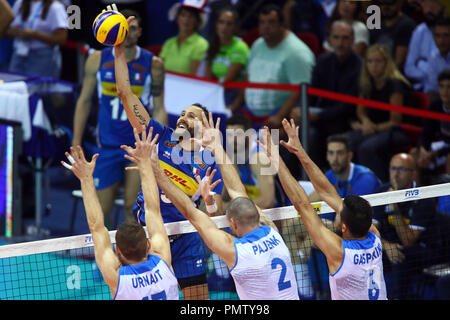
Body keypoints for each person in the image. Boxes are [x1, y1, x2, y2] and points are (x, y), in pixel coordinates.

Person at [114, 16, 224, 300]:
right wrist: (119, 50)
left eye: (194, 116)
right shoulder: (157, 135)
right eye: (184, 113)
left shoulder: (209, 162)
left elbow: (216, 214)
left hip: (187, 238)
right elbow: (126, 95)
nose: (185, 118)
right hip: (148, 236)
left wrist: (209, 199)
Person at [150, 112, 299, 300]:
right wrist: (217, 148)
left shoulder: (234, 250)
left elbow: (190, 211)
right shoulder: (272, 231)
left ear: (233, 224)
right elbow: (239, 193)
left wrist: (157, 172)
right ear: (256, 215)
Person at [259, 118, 387, 300]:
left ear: (343, 227)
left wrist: (276, 160)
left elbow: (303, 205)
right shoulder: (375, 237)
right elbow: (328, 192)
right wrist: (299, 152)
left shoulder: (339, 252)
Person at [72, 9, 167, 229]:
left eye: (132, 27)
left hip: (137, 146)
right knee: (102, 210)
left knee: (131, 208)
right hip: (106, 145)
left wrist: (158, 144)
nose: (127, 31)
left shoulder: (154, 64)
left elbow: (160, 107)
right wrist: (76, 139)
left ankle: (134, 257)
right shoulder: (96, 60)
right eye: (123, 26)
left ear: (139, 32)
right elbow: (84, 101)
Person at [60, 128, 178, 300]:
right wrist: (145, 164)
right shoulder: (164, 261)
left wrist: (86, 179)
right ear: (148, 244)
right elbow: (153, 209)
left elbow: (97, 227)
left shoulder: (117, 278)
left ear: (117, 250)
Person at [228, 3, 315, 130]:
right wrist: (235, 106)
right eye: (262, 22)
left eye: (271, 22)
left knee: (267, 145)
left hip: (277, 115)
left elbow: (299, 90)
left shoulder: (297, 52)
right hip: (249, 111)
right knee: (230, 134)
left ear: (282, 24)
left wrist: (279, 117)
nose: (266, 27)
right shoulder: (258, 44)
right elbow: (248, 77)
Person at [372, 153, 439, 299]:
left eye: (401, 170)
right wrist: (386, 246)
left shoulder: (423, 197)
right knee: (366, 249)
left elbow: (408, 240)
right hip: (391, 246)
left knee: (401, 253)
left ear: (412, 173)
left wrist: (393, 205)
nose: (395, 174)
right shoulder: (380, 193)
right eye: (393, 169)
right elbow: (370, 231)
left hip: (424, 248)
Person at [347, 44, 412, 182]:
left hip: (398, 130)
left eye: (378, 61)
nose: (373, 66)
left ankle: (378, 185)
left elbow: (396, 120)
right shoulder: (366, 82)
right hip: (375, 129)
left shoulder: (395, 84)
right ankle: (350, 182)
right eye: (370, 61)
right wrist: (365, 123)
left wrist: (373, 128)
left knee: (366, 148)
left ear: (386, 63)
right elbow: (361, 111)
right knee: (345, 140)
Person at [307, 20, 362, 169]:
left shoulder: (360, 66)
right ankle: (313, 176)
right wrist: (303, 110)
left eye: (345, 38)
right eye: (336, 38)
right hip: (324, 119)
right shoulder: (323, 61)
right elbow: (311, 93)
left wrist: (319, 116)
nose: (340, 43)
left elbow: (349, 105)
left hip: (347, 121)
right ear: (330, 40)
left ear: (352, 40)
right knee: (306, 131)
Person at [309, 134, 381, 204]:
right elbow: (308, 203)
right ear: (327, 156)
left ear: (349, 156)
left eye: (340, 153)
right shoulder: (329, 175)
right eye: (331, 153)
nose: (335, 159)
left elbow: (356, 213)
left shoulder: (365, 178)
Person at [223, 114, 275, 210]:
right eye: (230, 135)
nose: (233, 140)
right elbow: (225, 195)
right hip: (250, 212)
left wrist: (230, 207)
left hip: (277, 215)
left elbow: (267, 202)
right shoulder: (233, 156)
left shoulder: (259, 158)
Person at [5, 0, 68, 78]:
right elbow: (6, 30)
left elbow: (61, 39)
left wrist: (35, 34)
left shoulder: (55, 7)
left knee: (36, 88)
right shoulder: (20, 3)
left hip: (43, 57)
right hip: (19, 53)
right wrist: (13, 32)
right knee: (13, 85)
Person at [410, 69, 450, 180]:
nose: (445, 91)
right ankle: (416, 193)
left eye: (449, 87)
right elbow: (426, 131)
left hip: (446, 149)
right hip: (441, 144)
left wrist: (436, 153)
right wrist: (423, 149)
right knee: (414, 153)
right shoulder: (435, 105)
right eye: (442, 86)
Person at [204, 7, 249, 105]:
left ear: (235, 27)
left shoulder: (240, 47)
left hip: (231, 93)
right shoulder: (212, 45)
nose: (224, 27)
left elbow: (227, 82)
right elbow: (207, 78)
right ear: (216, 24)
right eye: (221, 22)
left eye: (229, 24)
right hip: (215, 90)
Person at [404, 0, 446, 90]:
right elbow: (409, 68)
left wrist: (422, 65)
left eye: (433, 5)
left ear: (443, 6)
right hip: (425, 87)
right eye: (425, 5)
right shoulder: (420, 31)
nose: (428, 10)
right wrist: (429, 75)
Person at [160, 0, 209, 75]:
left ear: (197, 21)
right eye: (183, 15)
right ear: (177, 19)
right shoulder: (169, 43)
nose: (186, 20)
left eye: (191, 16)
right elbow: (159, 70)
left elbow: (195, 77)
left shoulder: (201, 44)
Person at [369, 0, 416, 71]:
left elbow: (399, 62)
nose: (385, 7)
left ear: (400, 3)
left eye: (390, 3)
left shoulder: (406, 25)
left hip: (395, 76)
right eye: (382, 3)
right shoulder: (377, 26)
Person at [423, 17, 450, 101]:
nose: (441, 41)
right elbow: (431, 88)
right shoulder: (433, 57)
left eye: (446, 35)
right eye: (437, 35)